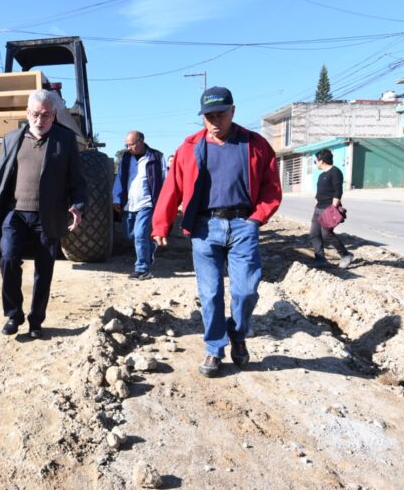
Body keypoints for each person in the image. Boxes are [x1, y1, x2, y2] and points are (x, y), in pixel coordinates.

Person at [152, 86, 282, 377]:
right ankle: (214, 348)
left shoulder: (255, 145)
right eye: (208, 116)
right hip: (204, 228)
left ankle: (238, 333)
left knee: (246, 291)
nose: (214, 121)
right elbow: (172, 188)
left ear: (233, 112)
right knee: (210, 294)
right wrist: (161, 224)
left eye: (220, 114)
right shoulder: (189, 147)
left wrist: (256, 219)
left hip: (242, 225)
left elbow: (272, 188)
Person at [0, 89, 86, 339]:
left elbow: (78, 182)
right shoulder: (11, 139)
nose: (40, 120)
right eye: (36, 114)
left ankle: (36, 321)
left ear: (54, 114)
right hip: (15, 213)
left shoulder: (65, 140)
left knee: (44, 269)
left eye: (46, 115)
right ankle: (13, 315)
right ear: (27, 113)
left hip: (47, 216)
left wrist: (78, 207)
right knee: (8, 259)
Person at [112, 131, 166, 280]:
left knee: (140, 234)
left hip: (147, 203)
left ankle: (143, 269)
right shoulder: (126, 158)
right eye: (126, 145)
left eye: (131, 144)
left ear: (141, 141)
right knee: (130, 235)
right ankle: (151, 246)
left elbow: (164, 179)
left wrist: (163, 202)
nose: (128, 148)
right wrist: (116, 198)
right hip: (129, 203)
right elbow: (120, 178)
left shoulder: (156, 157)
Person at [310, 149, 354, 269]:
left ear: (322, 161)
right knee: (314, 233)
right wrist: (316, 203)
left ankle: (346, 255)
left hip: (328, 208)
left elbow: (338, 191)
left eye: (316, 161)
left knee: (326, 234)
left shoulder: (335, 172)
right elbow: (319, 192)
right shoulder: (321, 175)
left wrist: (333, 209)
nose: (315, 163)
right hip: (318, 208)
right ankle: (320, 259)